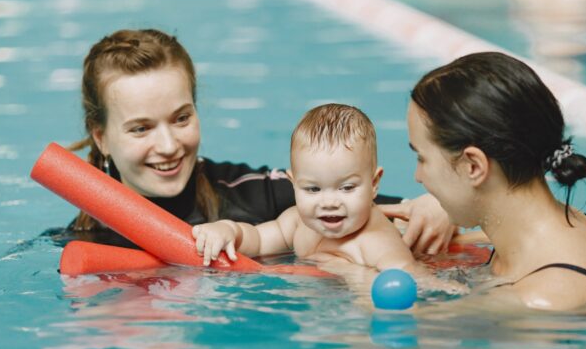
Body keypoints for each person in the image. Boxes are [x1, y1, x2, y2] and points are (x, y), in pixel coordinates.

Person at [65, 28, 454, 254]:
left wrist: (436, 207)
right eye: (141, 128)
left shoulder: (257, 195)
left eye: (181, 118)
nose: (168, 145)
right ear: (101, 137)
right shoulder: (88, 238)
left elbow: (373, 201)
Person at [406, 51, 586, 310]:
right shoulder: (564, 223)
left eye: (422, 158)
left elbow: (405, 334)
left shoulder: (535, 301)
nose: (417, 176)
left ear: (473, 166)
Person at [192, 103, 465, 293]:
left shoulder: (375, 241)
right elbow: (259, 240)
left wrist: (443, 289)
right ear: (293, 184)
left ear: (374, 185)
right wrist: (227, 229)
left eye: (346, 188)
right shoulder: (298, 222)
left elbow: (408, 276)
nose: (329, 202)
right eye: (313, 189)